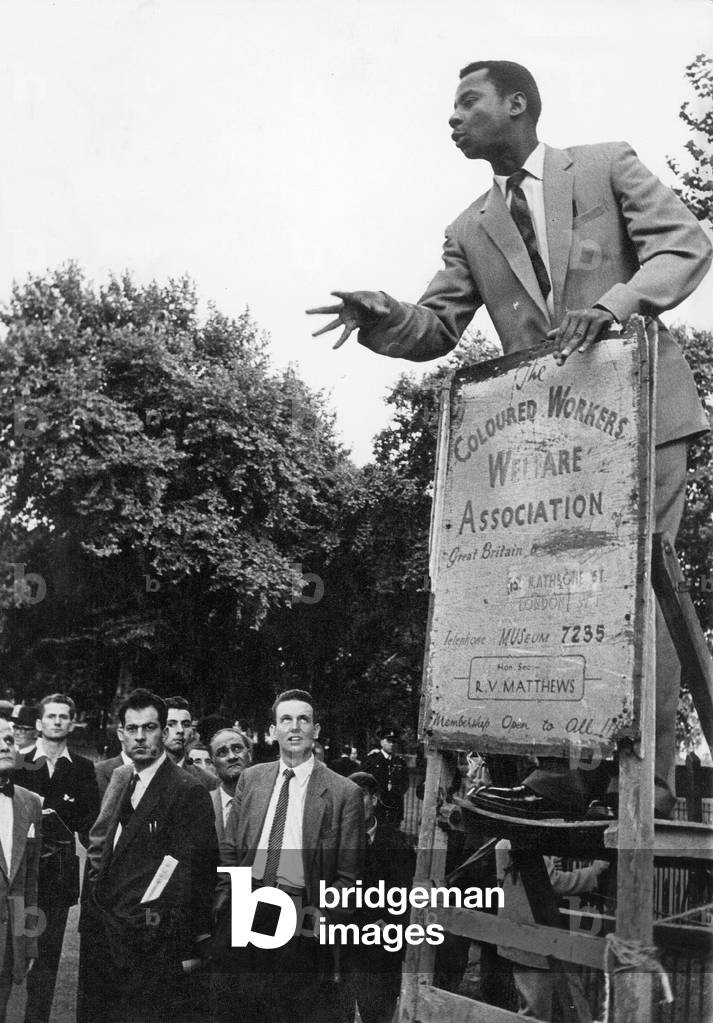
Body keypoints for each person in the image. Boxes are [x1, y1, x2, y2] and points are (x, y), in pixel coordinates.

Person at [308, 59, 712, 820]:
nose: (452, 118)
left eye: (468, 102)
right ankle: (573, 769)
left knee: (635, 590)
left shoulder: (604, 164)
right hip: (554, 444)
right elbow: (435, 328)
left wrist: (619, 303)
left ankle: (643, 785)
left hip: (647, 414)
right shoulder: (469, 226)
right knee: (555, 598)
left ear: (517, 104)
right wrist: (384, 314)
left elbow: (684, 244)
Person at [212, 688, 364, 1023]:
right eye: (285, 719)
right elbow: (231, 847)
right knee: (233, 1007)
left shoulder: (343, 793)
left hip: (298, 913)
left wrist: (320, 917)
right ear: (273, 730)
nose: (294, 727)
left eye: (303, 719)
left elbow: (349, 878)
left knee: (284, 1009)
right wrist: (227, 898)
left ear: (316, 730)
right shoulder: (252, 779)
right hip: (244, 905)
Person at [78, 688, 218, 1023]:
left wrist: (182, 944)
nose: (141, 737)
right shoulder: (121, 779)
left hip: (153, 944)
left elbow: (196, 875)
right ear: (121, 734)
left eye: (150, 728)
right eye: (133, 729)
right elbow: (102, 852)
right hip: (106, 938)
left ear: (165, 732)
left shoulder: (187, 790)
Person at [15, 693, 100, 1023]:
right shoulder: (19, 763)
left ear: (73, 723)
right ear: (39, 723)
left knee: (46, 964)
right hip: (17, 880)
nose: (57, 721)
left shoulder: (82, 768)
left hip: (56, 883)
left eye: (64, 716)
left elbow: (89, 827)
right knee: (10, 957)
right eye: (51, 716)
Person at [495, 841, 609, 1019]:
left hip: (533, 928)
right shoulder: (527, 831)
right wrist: (593, 873)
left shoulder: (517, 833)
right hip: (529, 929)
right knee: (535, 1009)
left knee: (547, 1004)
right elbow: (552, 881)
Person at [344, 772, 416, 1023]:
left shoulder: (397, 843)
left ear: (373, 799)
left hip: (380, 948)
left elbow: (407, 894)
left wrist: (392, 923)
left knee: (377, 1012)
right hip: (341, 944)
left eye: (360, 796)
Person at [0, 718, 42, 1022]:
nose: (4, 746)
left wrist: (29, 940)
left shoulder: (30, 802)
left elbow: (30, 881)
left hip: (9, 943)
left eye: (10, 740)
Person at [164, 696, 218, 790]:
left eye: (186, 725)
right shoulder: (140, 774)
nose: (180, 730)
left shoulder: (208, 780)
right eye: (171, 724)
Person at [209, 727, 252, 843]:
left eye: (237, 749)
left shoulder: (268, 798)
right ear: (213, 762)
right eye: (222, 752)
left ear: (249, 754)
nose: (232, 757)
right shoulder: (204, 803)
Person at [364, 727, 409, 824]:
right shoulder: (372, 760)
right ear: (381, 742)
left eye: (394, 742)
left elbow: (405, 783)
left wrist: (396, 793)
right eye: (389, 741)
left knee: (392, 834)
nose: (392, 744)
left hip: (394, 808)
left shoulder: (400, 762)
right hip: (377, 807)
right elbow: (364, 781)